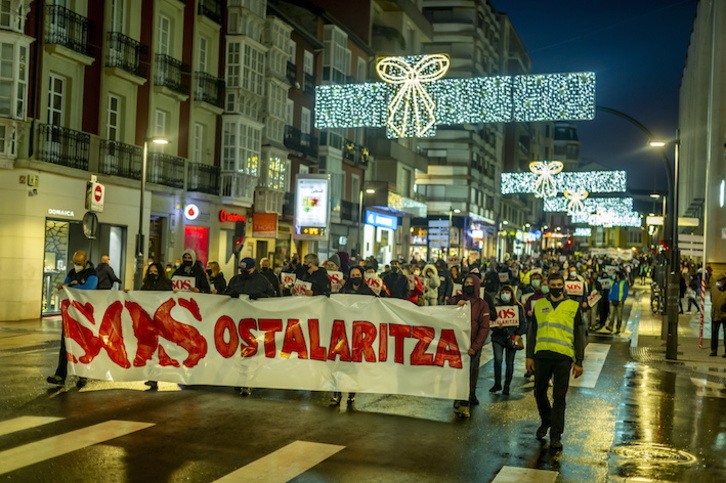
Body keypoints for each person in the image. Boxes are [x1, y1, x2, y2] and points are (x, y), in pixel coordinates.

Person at [525, 272, 586, 451]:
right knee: (539, 393)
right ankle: (547, 421)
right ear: (548, 285)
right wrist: (529, 356)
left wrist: (579, 361)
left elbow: (579, 335)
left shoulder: (573, 306)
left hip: (563, 358)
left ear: (564, 286)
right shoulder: (540, 305)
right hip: (542, 356)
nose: (556, 288)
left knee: (559, 398)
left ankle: (556, 435)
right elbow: (532, 332)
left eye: (560, 284)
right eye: (553, 284)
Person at [47, 250, 98, 388]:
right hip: (71, 314)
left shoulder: (92, 274)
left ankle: (83, 376)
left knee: (82, 345)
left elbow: (88, 289)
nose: (76, 265)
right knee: (65, 343)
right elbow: (66, 286)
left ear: (85, 262)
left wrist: (72, 286)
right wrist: (73, 285)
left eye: (79, 263)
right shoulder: (71, 272)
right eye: (75, 263)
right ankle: (60, 375)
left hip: (84, 316)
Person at [334, 265, 378, 405]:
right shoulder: (344, 289)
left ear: (362, 276)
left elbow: (378, 305)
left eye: (357, 275)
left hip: (359, 334)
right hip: (344, 332)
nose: (355, 277)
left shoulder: (368, 291)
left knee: (354, 365)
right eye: (353, 275)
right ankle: (337, 393)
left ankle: (351, 394)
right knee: (339, 363)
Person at [448, 275, 491, 418]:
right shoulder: (456, 299)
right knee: (455, 374)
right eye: (466, 282)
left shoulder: (482, 304)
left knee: (468, 376)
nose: (468, 284)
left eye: (472, 283)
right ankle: (457, 397)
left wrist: (476, 346)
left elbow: (484, 328)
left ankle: (465, 404)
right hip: (456, 343)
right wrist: (455, 305)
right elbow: (444, 311)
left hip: (471, 346)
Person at [139, 262, 172, 390]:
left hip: (161, 321)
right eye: (151, 272)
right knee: (152, 349)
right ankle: (153, 378)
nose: (153, 274)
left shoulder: (166, 284)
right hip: (149, 321)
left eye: (155, 272)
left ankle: (156, 377)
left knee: (160, 349)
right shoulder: (145, 285)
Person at [490, 285, 527, 395]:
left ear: (511, 294)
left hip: (512, 337)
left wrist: (518, 334)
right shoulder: (496, 307)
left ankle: (507, 385)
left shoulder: (518, 307)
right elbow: (490, 322)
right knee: (498, 359)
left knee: (509, 362)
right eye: (503, 292)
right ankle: (497, 383)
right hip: (498, 337)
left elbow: (523, 323)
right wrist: (497, 327)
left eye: (507, 292)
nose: (505, 294)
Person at [709, 273, 726, 357]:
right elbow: (711, 299)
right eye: (717, 281)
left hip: (724, 315)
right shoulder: (713, 288)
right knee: (714, 334)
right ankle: (714, 350)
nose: (718, 282)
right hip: (715, 314)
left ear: (724, 281)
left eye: (720, 281)